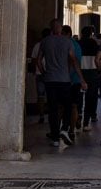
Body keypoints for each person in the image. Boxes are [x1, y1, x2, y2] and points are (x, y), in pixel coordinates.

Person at [37, 19, 86, 148]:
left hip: (50, 80)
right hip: (64, 80)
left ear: (51, 28)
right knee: (68, 106)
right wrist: (81, 79)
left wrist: (44, 73)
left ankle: (55, 138)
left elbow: (38, 60)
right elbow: (73, 60)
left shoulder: (45, 41)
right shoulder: (67, 42)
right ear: (60, 28)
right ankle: (64, 128)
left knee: (53, 109)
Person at [62, 25, 84, 140]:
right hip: (76, 79)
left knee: (63, 105)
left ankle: (63, 129)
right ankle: (71, 130)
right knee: (74, 105)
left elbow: (72, 62)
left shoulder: (66, 44)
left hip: (67, 79)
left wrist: (68, 76)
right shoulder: (77, 45)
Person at [79, 25, 101, 131]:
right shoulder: (94, 43)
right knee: (90, 98)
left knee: (78, 97)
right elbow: (98, 59)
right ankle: (87, 121)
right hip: (92, 73)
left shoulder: (78, 43)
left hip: (79, 73)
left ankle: (78, 117)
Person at [30, 26, 50, 124]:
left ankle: (41, 115)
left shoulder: (37, 45)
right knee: (51, 96)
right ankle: (51, 115)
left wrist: (36, 70)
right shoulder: (51, 44)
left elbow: (34, 60)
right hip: (50, 74)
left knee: (40, 96)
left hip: (39, 73)